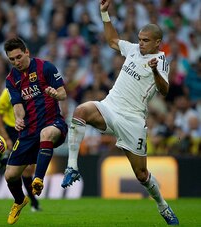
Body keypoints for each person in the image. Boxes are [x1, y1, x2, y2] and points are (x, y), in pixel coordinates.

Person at [61, 0, 179, 225]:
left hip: (133, 120)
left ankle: (163, 206)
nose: (141, 43)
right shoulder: (133, 49)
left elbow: (164, 90)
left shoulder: (161, 61)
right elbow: (112, 40)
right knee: (80, 111)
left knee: (142, 175)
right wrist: (105, 15)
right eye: (140, 39)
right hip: (110, 107)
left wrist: (154, 71)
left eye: (146, 41)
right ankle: (72, 167)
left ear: (157, 42)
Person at [4, 37, 68, 225]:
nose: (16, 62)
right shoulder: (11, 79)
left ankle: (38, 179)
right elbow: (17, 105)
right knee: (10, 175)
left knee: (45, 134)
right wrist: (18, 118)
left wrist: (56, 94)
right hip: (29, 131)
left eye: (18, 57)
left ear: (27, 53)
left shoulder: (45, 67)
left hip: (53, 123)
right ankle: (19, 200)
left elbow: (63, 93)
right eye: (12, 60)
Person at [0, 88, 40, 212]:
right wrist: (6, 138)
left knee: (29, 169)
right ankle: (34, 203)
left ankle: (4, 161)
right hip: (13, 131)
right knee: (26, 169)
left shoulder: (32, 89)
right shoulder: (7, 92)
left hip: (29, 130)